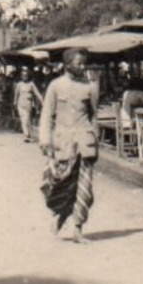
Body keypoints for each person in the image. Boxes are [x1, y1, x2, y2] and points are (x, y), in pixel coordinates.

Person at [40, 48, 101, 243]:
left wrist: (95, 139)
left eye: (84, 63)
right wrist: (45, 140)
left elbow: (94, 116)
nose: (83, 67)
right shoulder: (55, 86)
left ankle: (77, 229)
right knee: (63, 186)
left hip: (85, 144)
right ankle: (61, 215)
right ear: (67, 65)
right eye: (79, 63)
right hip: (63, 144)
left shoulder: (89, 88)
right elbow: (46, 115)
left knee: (84, 188)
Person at [13, 69, 43, 143]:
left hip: (28, 105)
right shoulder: (19, 84)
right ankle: (26, 135)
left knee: (27, 120)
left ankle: (28, 134)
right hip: (20, 104)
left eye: (26, 75)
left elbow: (37, 93)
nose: (24, 77)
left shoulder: (31, 84)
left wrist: (42, 100)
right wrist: (15, 103)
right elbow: (16, 95)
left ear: (28, 76)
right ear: (21, 76)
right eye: (23, 75)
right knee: (24, 120)